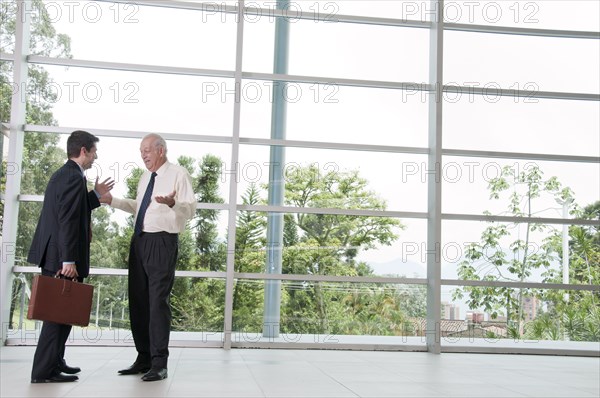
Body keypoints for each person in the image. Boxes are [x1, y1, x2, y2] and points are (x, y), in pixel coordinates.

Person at [100, 133, 196, 381]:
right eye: (140, 151)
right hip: (140, 241)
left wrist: (174, 203)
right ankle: (143, 358)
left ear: (160, 150)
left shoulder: (178, 174)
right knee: (139, 301)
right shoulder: (146, 177)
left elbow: (191, 209)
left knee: (157, 303)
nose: (142, 154)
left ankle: (159, 363)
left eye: (146, 150)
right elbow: (140, 207)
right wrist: (114, 201)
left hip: (162, 242)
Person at [28, 130, 114, 383]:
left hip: (56, 253)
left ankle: (55, 362)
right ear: (84, 150)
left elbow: (73, 209)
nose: (96, 157)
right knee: (56, 316)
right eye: (94, 151)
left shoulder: (68, 174)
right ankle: (44, 371)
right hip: (60, 257)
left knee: (62, 313)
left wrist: (95, 195)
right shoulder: (72, 177)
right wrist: (68, 261)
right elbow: (66, 221)